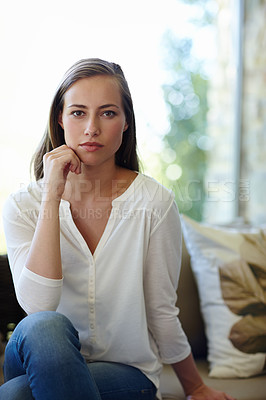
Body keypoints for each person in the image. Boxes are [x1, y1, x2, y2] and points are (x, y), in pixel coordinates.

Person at [1, 58, 235, 400]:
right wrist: (51, 197)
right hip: (35, 353)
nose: (91, 128)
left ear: (126, 123)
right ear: (60, 119)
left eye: (108, 113)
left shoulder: (154, 202)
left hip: (125, 371)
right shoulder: (23, 205)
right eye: (78, 112)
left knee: (17, 395)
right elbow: (39, 306)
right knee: (45, 326)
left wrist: (195, 387)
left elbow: (161, 310)